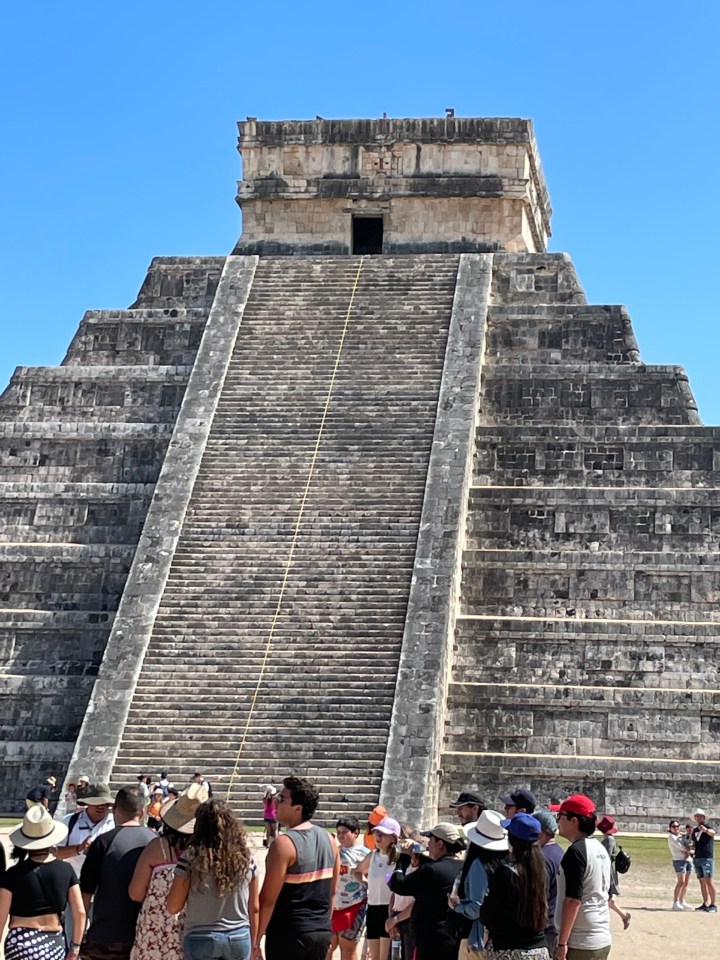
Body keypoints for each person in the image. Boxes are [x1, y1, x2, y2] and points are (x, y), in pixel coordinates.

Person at [256, 775, 338, 960]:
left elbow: (267, 900)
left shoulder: (283, 844)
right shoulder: (330, 840)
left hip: (289, 934)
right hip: (320, 932)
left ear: (298, 809)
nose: (276, 802)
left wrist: (256, 940)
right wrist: (325, 926)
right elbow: (332, 892)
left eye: (282, 799)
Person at [167, 798, 257, 960]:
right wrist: (255, 943)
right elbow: (254, 907)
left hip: (200, 936)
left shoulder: (190, 859)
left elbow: (173, 906)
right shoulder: (246, 858)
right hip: (238, 935)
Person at [129, 783, 209, 960]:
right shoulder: (210, 852)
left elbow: (135, 893)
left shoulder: (157, 848)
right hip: (196, 931)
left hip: (156, 931)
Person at [79, 785, 156, 960]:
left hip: (106, 934)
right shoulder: (156, 843)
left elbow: (86, 893)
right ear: (142, 812)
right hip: (145, 933)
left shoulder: (103, 842)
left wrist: (79, 934)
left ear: (115, 809)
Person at [0, 804, 86, 960]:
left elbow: (1, 916)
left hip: (20, 944)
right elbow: (79, 912)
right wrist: (75, 948)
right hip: (53, 943)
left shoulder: (12, 875)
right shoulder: (66, 870)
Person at [389, 822, 466, 960]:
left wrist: (404, 858)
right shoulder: (462, 867)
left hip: (432, 940)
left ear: (440, 844)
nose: (428, 844)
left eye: (430, 840)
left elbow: (398, 884)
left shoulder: (432, 870)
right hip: (451, 935)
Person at [479, 813, 549, 959]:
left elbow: (487, 915)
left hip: (507, 948)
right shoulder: (542, 872)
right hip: (538, 948)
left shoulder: (505, 874)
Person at [555, 794, 611, 960]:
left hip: (581, 940)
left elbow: (573, 900)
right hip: (601, 935)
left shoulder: (576, 852)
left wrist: (562, 943)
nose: (558, 821)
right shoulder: (600, 848)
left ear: (574, 821)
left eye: (561, 816)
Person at [450, 809, 509, 956]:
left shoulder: (479, 865)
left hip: (478, 937)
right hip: (499, 936)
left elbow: (477, 907)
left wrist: (457, 907)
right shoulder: (506, 862)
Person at [352, 816, 400, 960]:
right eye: (377, 833)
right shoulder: (373, 856)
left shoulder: (399, 859)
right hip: (373, 908)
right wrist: (366, 884)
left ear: (393, 838)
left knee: (386, 956)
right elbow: (356, 871)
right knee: (375, 957)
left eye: (383, 834)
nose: (378, 836)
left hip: (389, 909)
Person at [330, 816, 369, 960]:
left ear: (356, 833)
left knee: (348, 948)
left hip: (354, 905)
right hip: (333, 905)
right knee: (328, 946)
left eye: (344, 832)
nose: (341, 835)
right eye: (338, 832)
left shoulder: (365, 854)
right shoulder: (332, 851)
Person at [535, 810, 564, 955]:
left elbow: (539, 895)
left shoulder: (542, 858)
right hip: (557, 922)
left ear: (540, 832)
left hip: (545, 926)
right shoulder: (561, 852)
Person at [596, 815, 630, 929]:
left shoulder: (609, 840)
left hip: (608, 872)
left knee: (608, 898)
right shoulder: (607, 839)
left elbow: (606, 857)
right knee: (609, 900)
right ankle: (624, 916)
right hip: (608, 871)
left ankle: (623, 916)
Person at [691, 808, 717, 912]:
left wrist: (705, 830)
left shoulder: (707, 827)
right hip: (698, 857)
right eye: (697, 816)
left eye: (700, 816)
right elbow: (694, 843)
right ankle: (705, 903)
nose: (698, 818)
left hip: (707, 857)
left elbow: (713, 833)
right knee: (702, 881)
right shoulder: (695, 830)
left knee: (709, 881)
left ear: (703, 817)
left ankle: (713, 904)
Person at [667, 819, 693, 910]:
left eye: (677, 826)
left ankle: (682, 901)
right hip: (679, 860)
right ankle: (676, 902)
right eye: (674, 827)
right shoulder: (671, 837)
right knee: (681, 882)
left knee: (686, 882)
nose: (676, 828)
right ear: (670, 828)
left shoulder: (681, 836)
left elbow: (690, 844)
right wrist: (688, 849)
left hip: (688, 860)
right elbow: (682, 847)